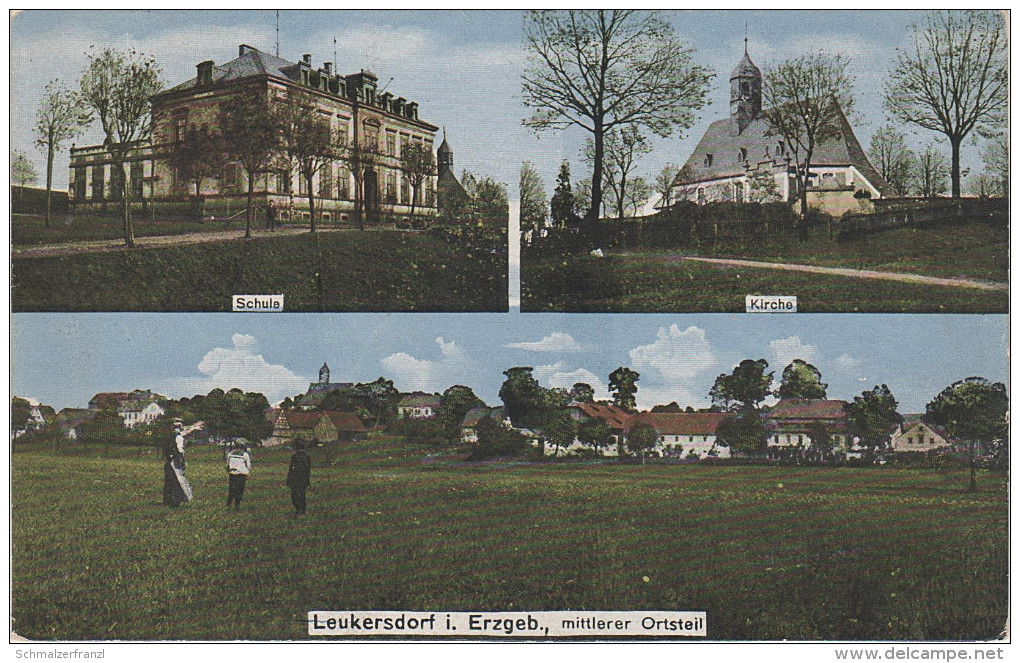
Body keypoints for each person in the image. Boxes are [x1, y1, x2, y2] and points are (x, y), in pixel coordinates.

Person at [163, 421, 193, 507]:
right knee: (177, 481)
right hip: (175, 462)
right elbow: (180, 450)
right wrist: (182, 462)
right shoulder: (179, 437)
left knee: (168, 482)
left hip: (168, 461)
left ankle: (167, 500)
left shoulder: (169, 436)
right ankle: (175, 501)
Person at [286, 440, 311, 516]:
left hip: (295, 480)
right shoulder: (307, 457)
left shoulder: (295, 457)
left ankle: (298, 509)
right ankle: (302, 510)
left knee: (295, 495)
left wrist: (289, 481)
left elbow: (291, 470)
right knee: (302, 494)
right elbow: (308, 470)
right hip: (303, 480)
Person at [225, 441, 251, 510]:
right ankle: (237, 505)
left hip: (232, 474)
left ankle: (228, 504)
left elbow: (228, 464)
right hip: (241, 474)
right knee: (240, 490)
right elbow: (248, 466)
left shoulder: (230, 454)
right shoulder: (245, 455)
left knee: (231, 489)